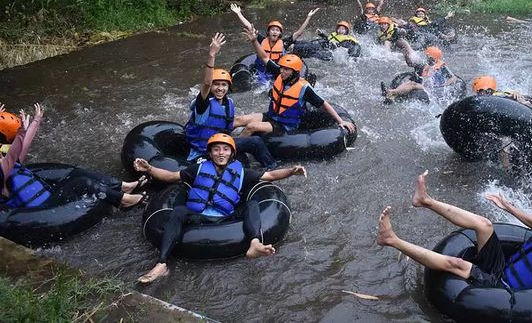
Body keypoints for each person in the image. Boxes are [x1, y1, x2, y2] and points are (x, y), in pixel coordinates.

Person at [377, 173, 532, 323]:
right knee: (484, 225)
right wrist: (508, 207)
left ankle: (391, 240)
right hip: (504, 268)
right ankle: (425, 201)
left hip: (503, 288)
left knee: (457, 264)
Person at [133, 133, 308, 284]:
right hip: (198, 214)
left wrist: (291, 171)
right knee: (178, 211)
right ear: (210, 153)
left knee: (252, 205)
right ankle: (162, 264)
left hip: (225, 217)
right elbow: (171, 176)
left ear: (232, 153)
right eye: (216, 149)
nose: (221, 153)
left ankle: (254, 244)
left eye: (225, 149)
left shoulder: (242, 172)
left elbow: (270, 175)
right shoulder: (198, 168)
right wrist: (149, 168)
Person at [1, 103, 147, 210]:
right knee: (82, 183)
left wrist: (36, 121)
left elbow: (23, 146)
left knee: (76, 174)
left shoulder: (9, 161)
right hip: (41, 209)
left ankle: (124, 186)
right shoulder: (2, 171)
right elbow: (12, 155)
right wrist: (21, 133)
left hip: (48, 198)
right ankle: (124, 200)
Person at [237, 24, 357, 136]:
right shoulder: (279, 72)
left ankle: (233, 149)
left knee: (251, 127)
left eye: (286, 70)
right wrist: (254, 41)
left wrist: (341, 121)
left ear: (295, 72)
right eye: (282, 68)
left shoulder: (304, 88)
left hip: (286, 125)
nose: (282, 72)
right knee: (239, 120)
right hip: (272, 116)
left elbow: (324, 104)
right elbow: (264, 57)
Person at [184, 32, 278, 169]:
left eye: (224, 85)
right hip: (204, 150)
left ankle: (272, 169)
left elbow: (228, 128)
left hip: (222, 145)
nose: (220, 88)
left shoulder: (229, 104)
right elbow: (206, 83)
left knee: (256, 141)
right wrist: (212, 55)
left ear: (229, 87)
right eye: (216, 84)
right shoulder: (203, 103)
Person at [231, 3, 320, 83]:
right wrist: (239, 13)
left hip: (274, 72)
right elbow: (249, 27)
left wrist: (308, 17)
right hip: (259, 70)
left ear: (280, 33)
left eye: (277, 30)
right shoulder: (261, 40)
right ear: (268, 32)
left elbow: (299, 33)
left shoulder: (284, 43)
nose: (274, 32)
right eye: (272, 30)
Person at [382, 46, 457, 103]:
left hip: (434, 88)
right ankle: (392, 96)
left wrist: (442, 86)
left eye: (427, 56)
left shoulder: (442, 67)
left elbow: (453, 78)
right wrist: (406, 55)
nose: (425, 56)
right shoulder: (427, 65)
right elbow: (411, 64)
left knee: (412, 84)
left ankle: (391, 92)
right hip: (427, 85)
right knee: (409, 82)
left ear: (432, 58)